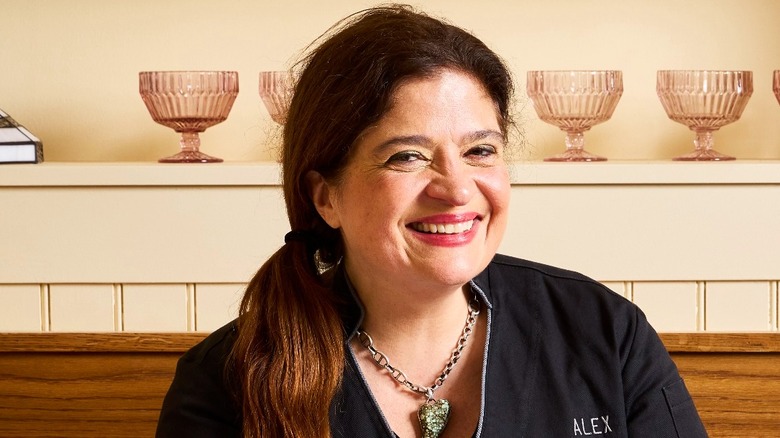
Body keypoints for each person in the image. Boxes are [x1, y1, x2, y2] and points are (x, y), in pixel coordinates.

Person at [156, 4, 707, 438]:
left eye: (480, 151)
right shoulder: (226, 379)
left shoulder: (604, 331)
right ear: (325, 197)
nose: (457, 188)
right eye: (406, 156)